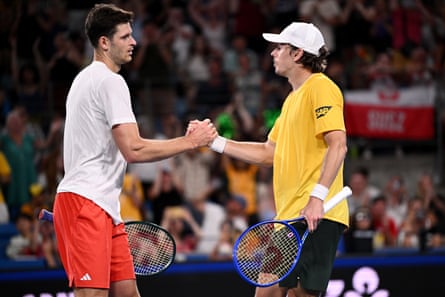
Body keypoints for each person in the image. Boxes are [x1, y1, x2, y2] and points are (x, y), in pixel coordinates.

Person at [52, 4, 217, 297]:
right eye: (126, 36)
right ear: (104, 42)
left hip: (101, 206)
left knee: (127, 292)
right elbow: (134, 149)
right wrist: (191, 142)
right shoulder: (110, 81)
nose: (134, 42)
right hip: (85, 204)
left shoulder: (85, 79)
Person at [197, 22, 349, 297]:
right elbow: (268, 153)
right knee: (266, 292)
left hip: (316, 214)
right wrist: (215, 142)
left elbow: (338, 145)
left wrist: (317, 197)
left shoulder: (321, 88)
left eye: (280, 47)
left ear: (298, 54)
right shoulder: (292, 100)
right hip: (290, 217)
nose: (273, 53)